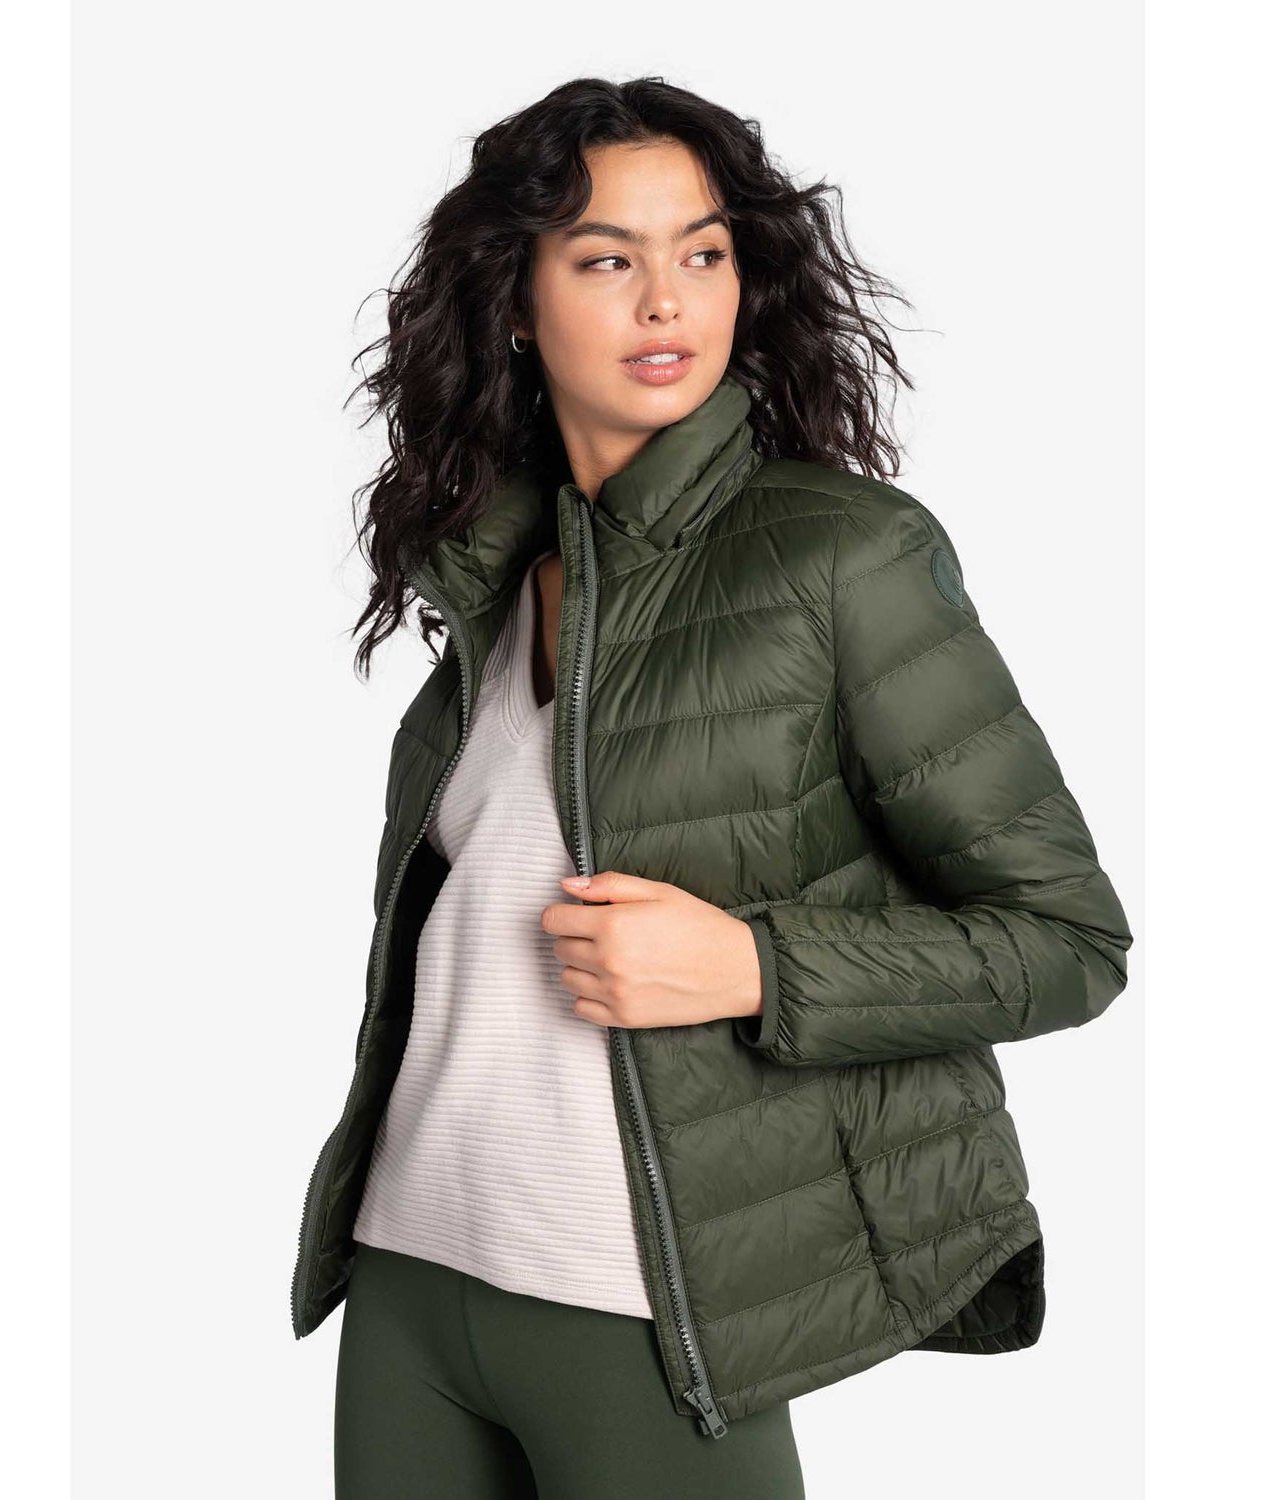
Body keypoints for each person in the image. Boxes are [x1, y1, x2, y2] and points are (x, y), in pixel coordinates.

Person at [292, 76, 1133, 1499]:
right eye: (605, 259)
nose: (666, 299)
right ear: (515, 302)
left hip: (647, 1309)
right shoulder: (494, 583)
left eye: (703, 251)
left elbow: (1069, 941)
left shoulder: (840, 555)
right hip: (408, 1278)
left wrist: (752, 965)